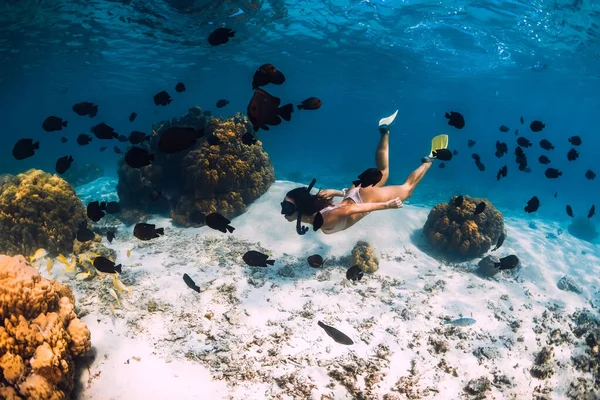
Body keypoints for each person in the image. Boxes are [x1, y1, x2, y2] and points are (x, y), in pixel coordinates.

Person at [280, 111, 446, 235]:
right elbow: (342, 207)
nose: (283, 212)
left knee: (408, 189)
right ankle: (384, 131)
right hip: (352, 192)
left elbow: (352, 210)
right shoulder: (316, 212)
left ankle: (430, 159)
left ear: (300, 207)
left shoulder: (324, 220)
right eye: (284, 206)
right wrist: (338, 192)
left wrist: (385, 205)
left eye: (287, 207)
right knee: (383, 171)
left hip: (363, 198)